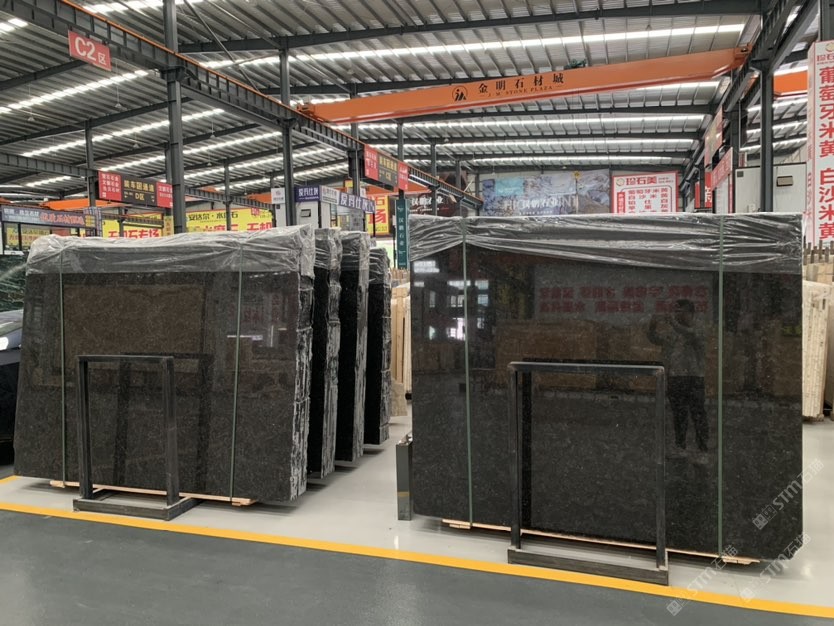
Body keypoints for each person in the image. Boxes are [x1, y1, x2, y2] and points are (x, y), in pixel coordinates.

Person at [647, 299, 709, 462]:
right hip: (675, 376)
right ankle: (680, 446)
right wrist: (652, 326)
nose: (677, 315)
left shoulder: (698, 328)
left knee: (698, 414)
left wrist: (673, 323)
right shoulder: (673, 331)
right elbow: (656, 339)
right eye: (676, 312)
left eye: (681, 312)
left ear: (690, 313)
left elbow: (691, 335)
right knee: (679, 414)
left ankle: (703, 450)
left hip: (694, 377)